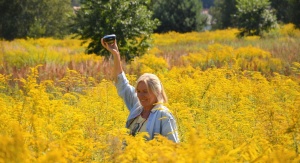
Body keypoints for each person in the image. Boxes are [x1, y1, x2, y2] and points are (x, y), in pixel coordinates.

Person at [101, 37, 180, 143]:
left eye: (145, 91)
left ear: (156, 92)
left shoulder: (164, 116)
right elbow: (122, 83)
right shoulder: (138, 106)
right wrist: (116, 54)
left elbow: (173, 147)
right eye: (138, 91)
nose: (140, 96)